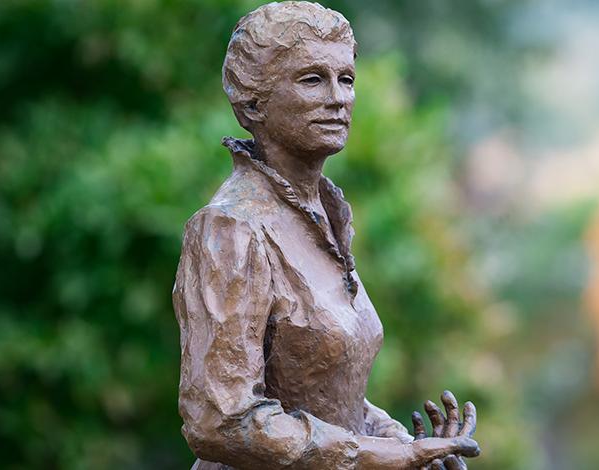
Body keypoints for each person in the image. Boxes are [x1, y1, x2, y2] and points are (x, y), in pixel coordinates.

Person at [172, 2, 479, 469]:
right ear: (254, 100)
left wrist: (408, 448)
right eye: (312, 79)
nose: (337, 97)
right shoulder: (231, 228)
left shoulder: (326, 217)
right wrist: (384, 457)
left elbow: (322, 400)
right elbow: (220, 419)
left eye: (347, 79)